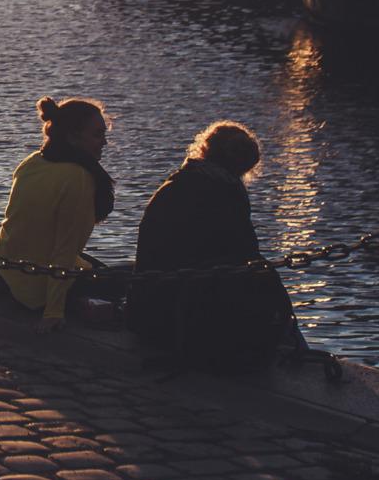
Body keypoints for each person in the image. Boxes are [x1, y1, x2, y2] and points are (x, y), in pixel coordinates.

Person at [125, 121, 300, 373]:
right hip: (179, 321)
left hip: (148, 310)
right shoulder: (225, 193)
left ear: (204, 150)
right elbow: (245, 253)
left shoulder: (179, 182)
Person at [0, 96, 118, 331]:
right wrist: (53, 312)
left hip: (8, 274)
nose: (104, 142)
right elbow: (65, 250)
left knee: (100, 268)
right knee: (124, 282)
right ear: (73, 137)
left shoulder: (31, 163)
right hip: (36, 288)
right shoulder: (78, 178)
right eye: (97, 135)